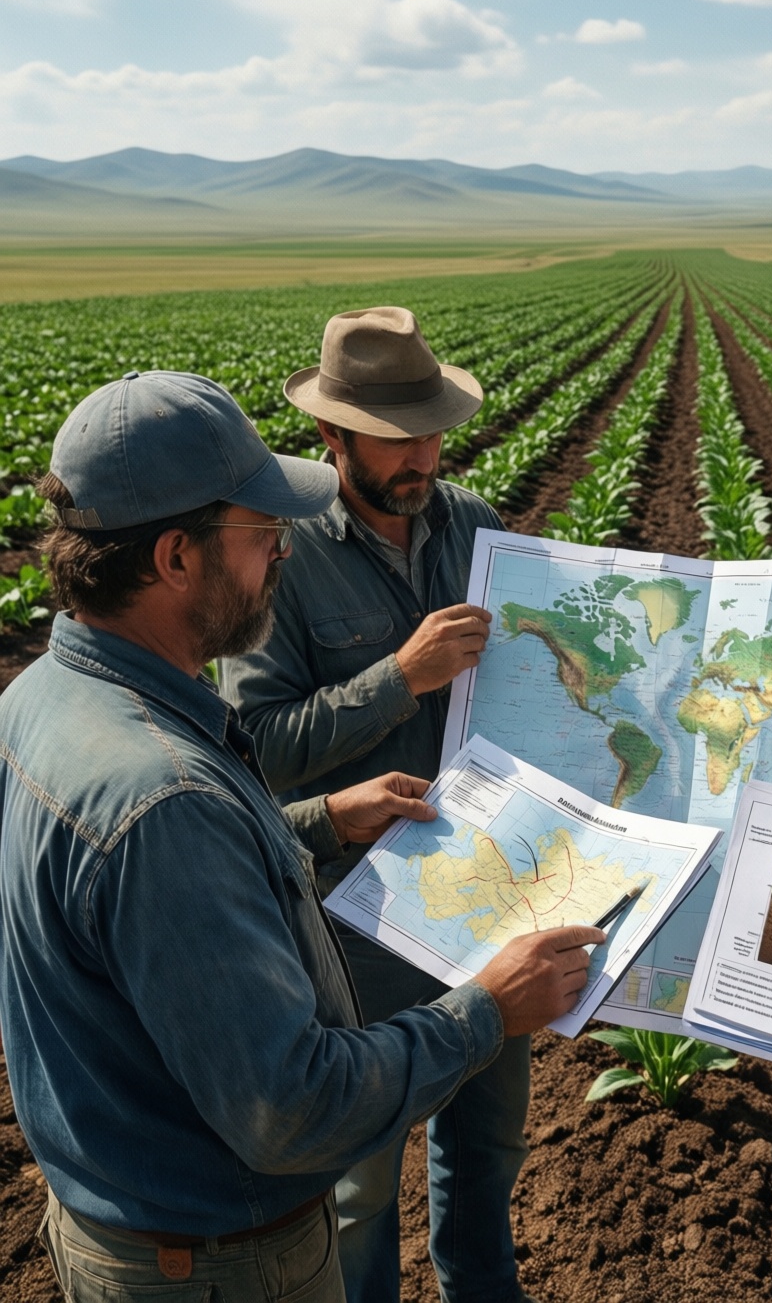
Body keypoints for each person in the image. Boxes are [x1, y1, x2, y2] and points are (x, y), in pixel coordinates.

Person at [0, 369, 602, 1302]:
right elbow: (295, 1110)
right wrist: (487, 1009)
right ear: (176, 559)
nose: (280, 550)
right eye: (260, 535)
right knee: (366, 1193)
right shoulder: (163, 797)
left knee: (483, 1145)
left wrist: (321, 820)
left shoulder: (42, 696)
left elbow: (155, 878)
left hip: (138, 1212)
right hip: (222, 1260)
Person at [218, 306, 525, 1303]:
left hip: (488, 882)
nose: (421, 456)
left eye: (430, 431)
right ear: (331, 434)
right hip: (359, 912)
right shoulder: (282, 553)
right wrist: (399, 677)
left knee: (488, 1140)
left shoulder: (475, 524)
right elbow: (257, 745)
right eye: (395, 438)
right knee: (360, 1177)